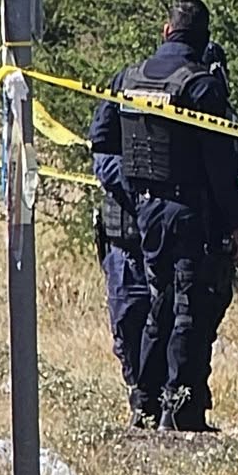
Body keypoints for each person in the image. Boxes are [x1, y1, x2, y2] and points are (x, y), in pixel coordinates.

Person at [88, 0, 238, 432]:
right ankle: (179, 413)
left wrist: (132, 191)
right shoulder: (202, 87)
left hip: (145, 213)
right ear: (204, 40)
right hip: (187, 213)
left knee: (158, 308)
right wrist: (236, 223)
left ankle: (146, 404)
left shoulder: (128, 77)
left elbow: (101, 142)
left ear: (166, 31)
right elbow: (220, 166)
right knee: (186, 311)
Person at [188, 41, 238, 430]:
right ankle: (185, 408)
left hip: (185, 232)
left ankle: (182, 406)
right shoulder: (220, 118)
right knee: (194, 322)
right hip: (207, 236)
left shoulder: (172, 107)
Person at [92, 152, 154, 426]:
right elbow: (104, 161)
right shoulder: (114, 124)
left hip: (164, 244)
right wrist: (142, 180)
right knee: (127, 329)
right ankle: (140, 402)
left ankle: (164, 403)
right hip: (126, 251)